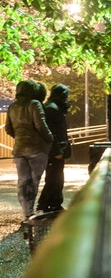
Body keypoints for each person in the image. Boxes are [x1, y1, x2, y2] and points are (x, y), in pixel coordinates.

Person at [5, 80, 53, 221]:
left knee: (22, 181)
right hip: (37, 148)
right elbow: (41, 125)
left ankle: (26, 212)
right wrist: (50, 139)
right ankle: (30, 212)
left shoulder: (12, 106)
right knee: (34, 181)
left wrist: (19, 137)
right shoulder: (34, 104)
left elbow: (8, 128)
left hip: (19, 149)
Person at [37, 84, 71, 213]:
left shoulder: (52, 107)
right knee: (54, 177)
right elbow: (52, 132)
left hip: (54, 149)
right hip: (55, 150)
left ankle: (53, 203)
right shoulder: (53, 109)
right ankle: (46, 204)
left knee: (55, 176)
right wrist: (56, 150)